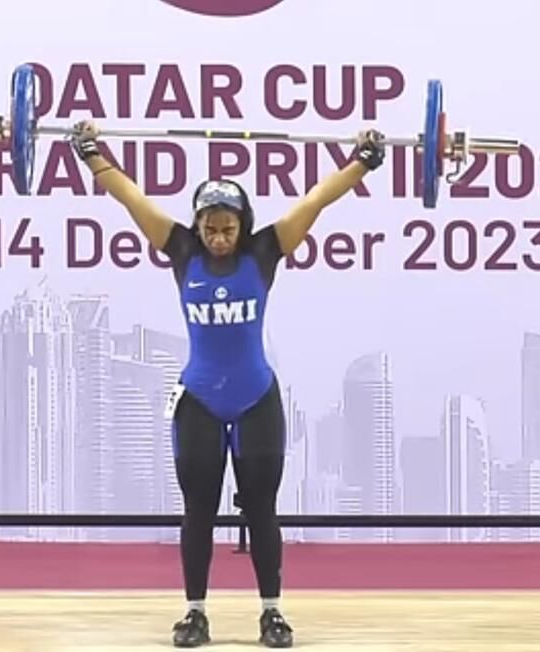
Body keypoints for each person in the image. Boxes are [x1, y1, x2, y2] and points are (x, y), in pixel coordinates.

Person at [70, 120, 386, 648]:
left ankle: (272, 614)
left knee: (262, 509)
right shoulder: (180, 252)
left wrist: (363, 161)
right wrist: (90, 152)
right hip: (199, 401)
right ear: (198, 225)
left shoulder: (263, 254)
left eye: (228, 229)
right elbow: (129, 196)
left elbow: (315, 202)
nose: (219, 238)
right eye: (210, 228)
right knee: (199, 511)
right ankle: (194, 614)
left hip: (256, 399)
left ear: (243, 226)